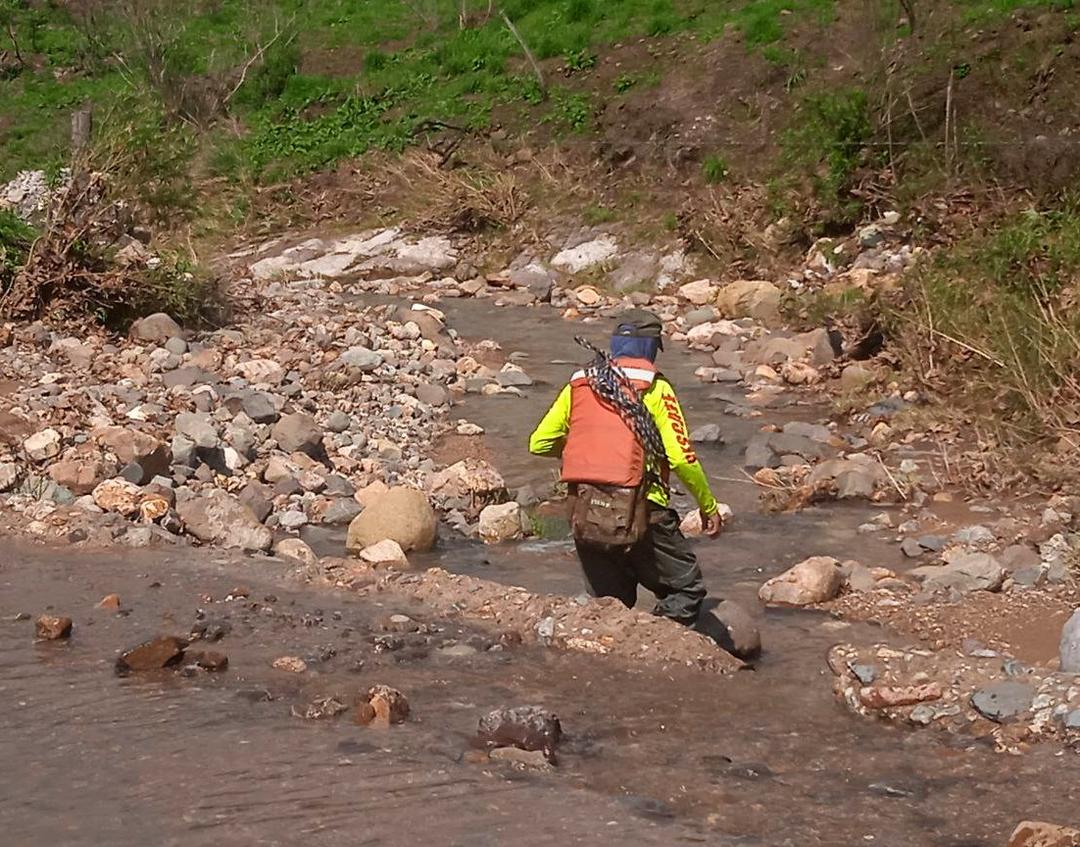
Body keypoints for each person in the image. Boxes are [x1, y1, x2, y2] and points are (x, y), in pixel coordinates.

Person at [528, 309, 722, 627]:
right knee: (686, 589)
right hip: (645, 510)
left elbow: (540, 443)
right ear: (650, 348)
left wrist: (589, 454)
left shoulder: (580, 384)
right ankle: (656, 644)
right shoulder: (656, 389)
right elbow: (682, 459)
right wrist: (707, 507)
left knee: (609, 605)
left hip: (587, 510)